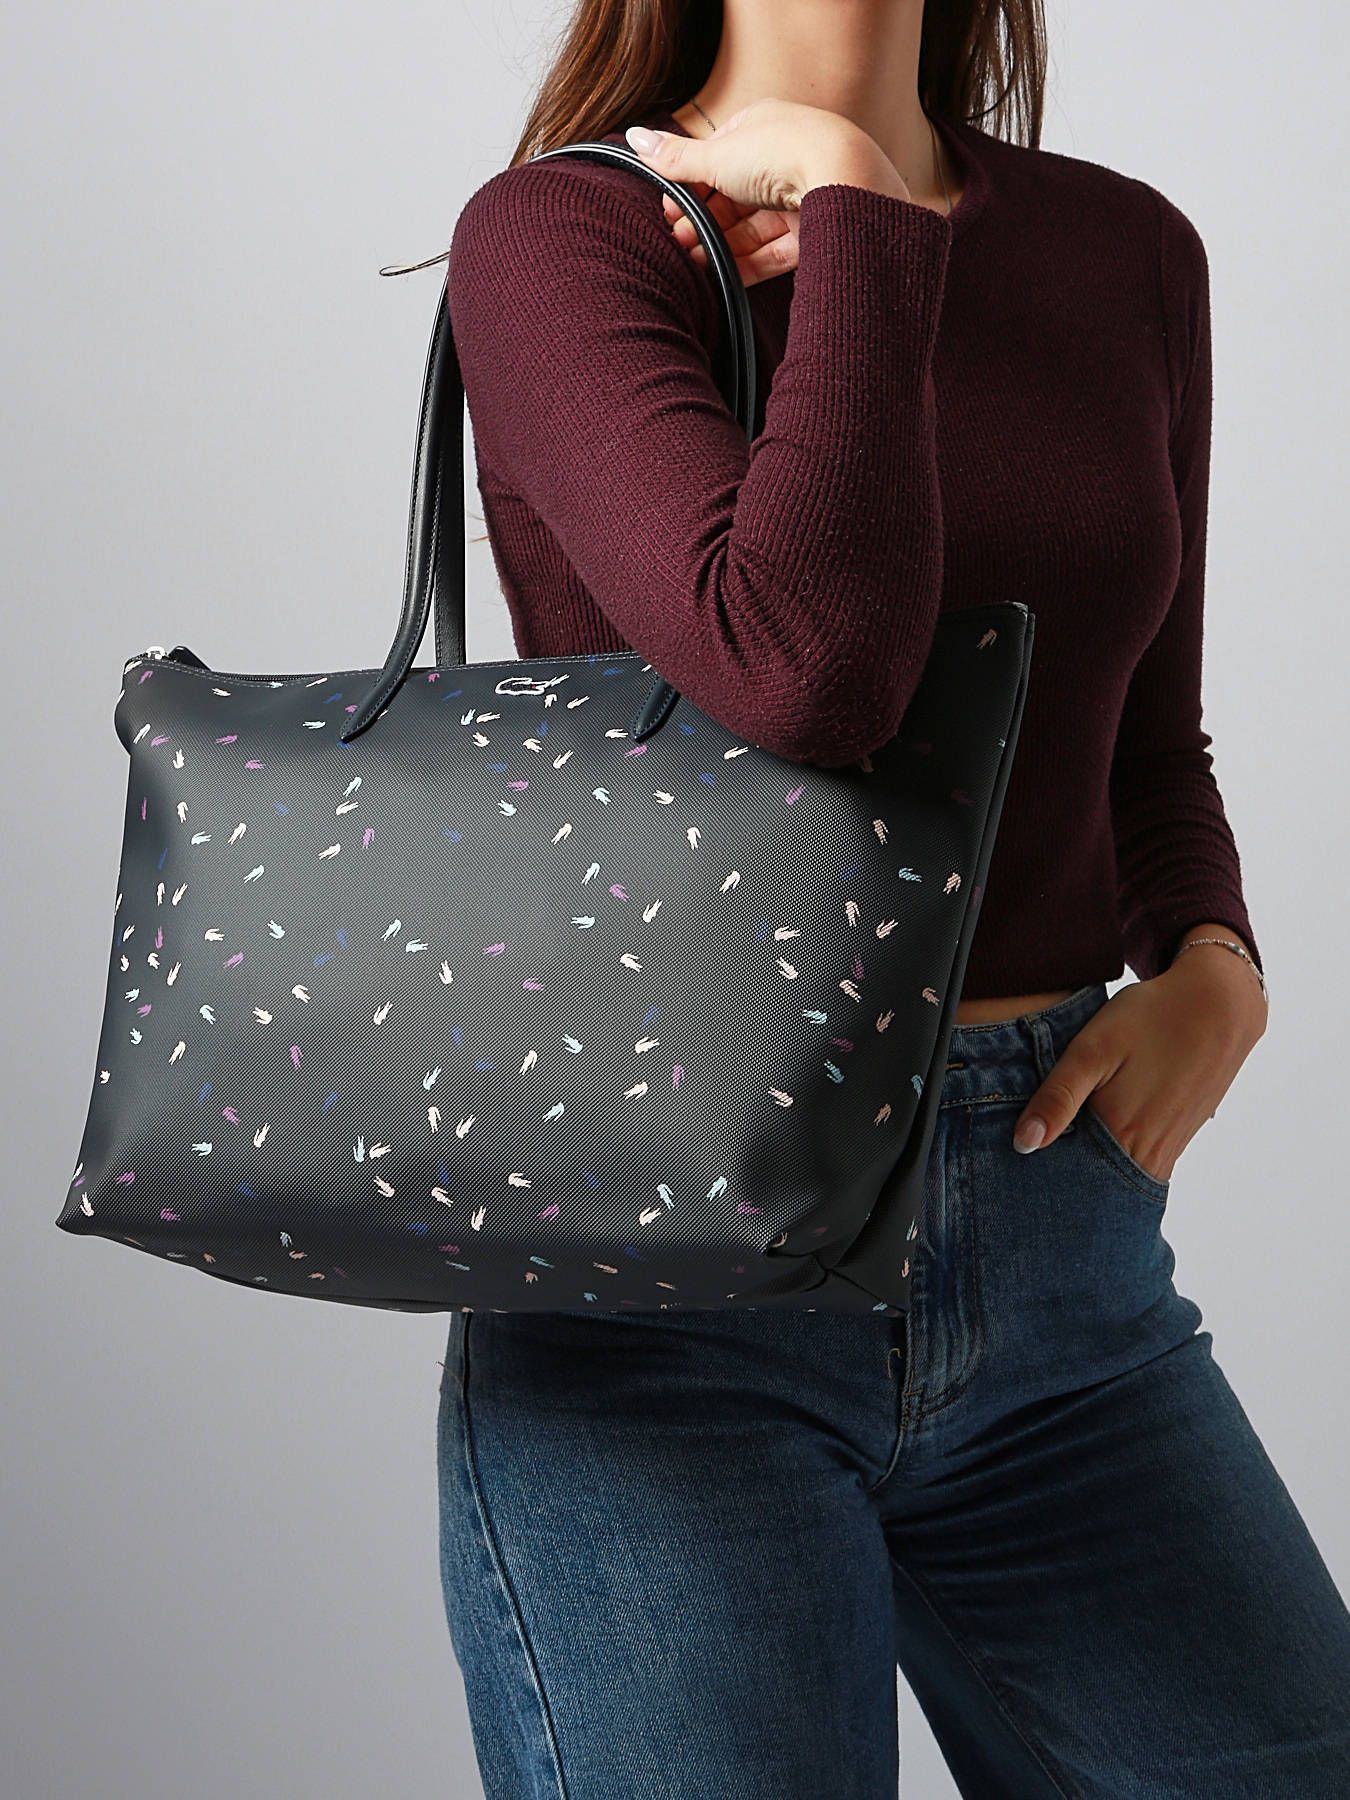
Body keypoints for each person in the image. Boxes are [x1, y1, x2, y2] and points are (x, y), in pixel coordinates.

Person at [434, 2, 1350, 1793]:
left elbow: (1142, 734)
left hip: (1064, 1252)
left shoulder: (1123, 250)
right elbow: (805, 669)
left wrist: (1213, 961)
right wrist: (858, 216)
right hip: (676, 1294)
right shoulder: (565, 234)